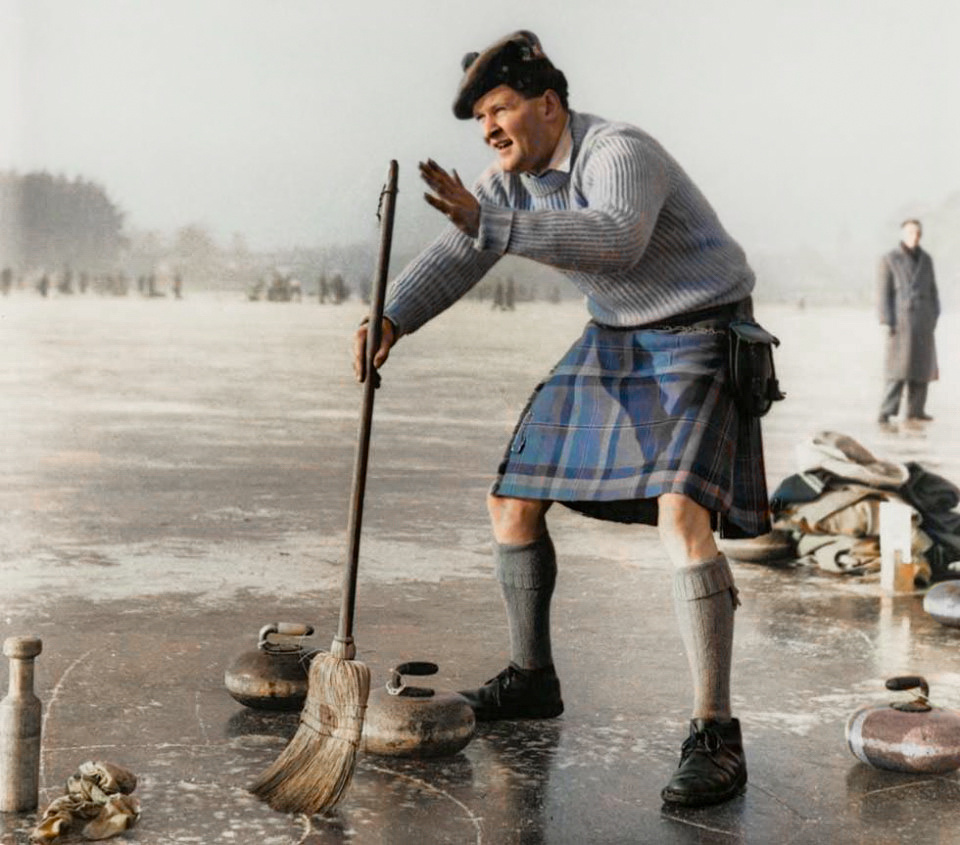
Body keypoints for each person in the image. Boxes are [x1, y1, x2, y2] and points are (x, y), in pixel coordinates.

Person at [353, 30, 769, 808]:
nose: (489, 129)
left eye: (501, 108)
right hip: (616, 335)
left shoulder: (619, 150)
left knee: (684, 515)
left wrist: (492, 221)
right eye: (480, 118)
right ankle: (532, 677)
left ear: (549, 104)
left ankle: (715, 730)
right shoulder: (510, 180)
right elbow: (460, 251)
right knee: (511, 500)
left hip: (700, 330)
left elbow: (615, 238)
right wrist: (392, 317)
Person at [877, 219, 939, 426]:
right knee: (897, 371)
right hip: (900, 323)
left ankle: (916, 411)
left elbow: (933, 291)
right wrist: (887, 320)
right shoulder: (889, 259)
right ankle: (886, 412)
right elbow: (883, 294)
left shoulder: (926, 259)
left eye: (917, 232)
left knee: (921, 370)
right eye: (911, 232)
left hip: (923, 322)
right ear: (903, 234)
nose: (915, 236)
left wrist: (933, 315)